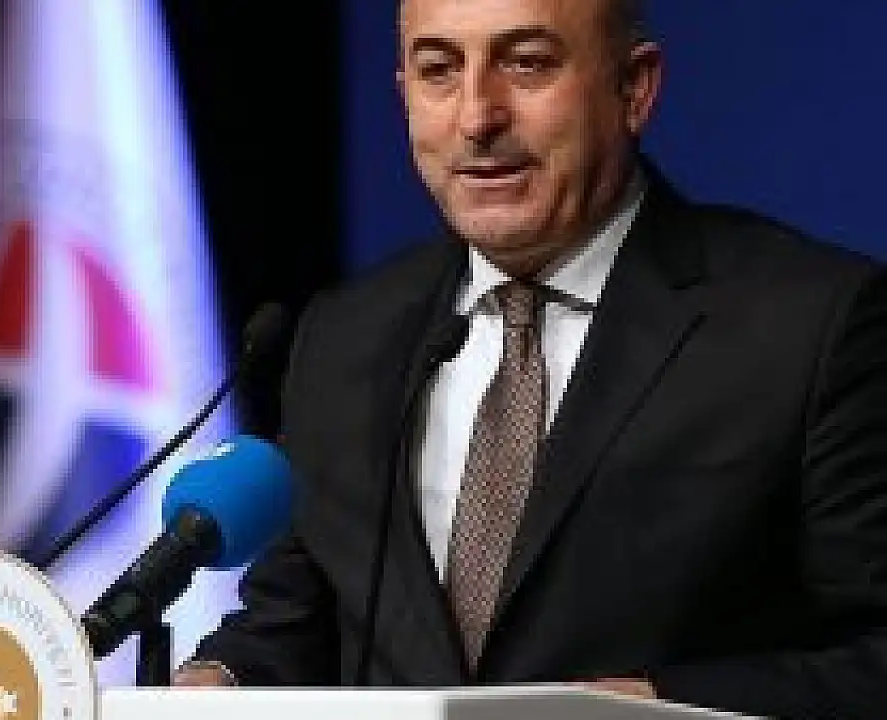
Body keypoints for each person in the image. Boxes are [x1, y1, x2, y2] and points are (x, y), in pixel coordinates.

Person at [174, 0, 887, 717]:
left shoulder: (810, 325)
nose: (476, 117)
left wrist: (655, 708)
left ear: (634, 88)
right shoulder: (347, 335)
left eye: (527, 64)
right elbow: (301, 616)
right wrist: (219, 682)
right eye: (439, 71)